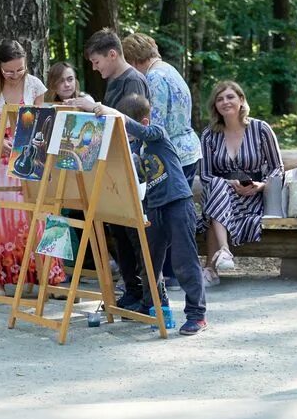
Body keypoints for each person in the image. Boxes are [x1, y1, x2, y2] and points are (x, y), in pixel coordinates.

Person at [65, 92, 207, 335]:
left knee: (184, 261)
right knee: (150, 264)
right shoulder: (135, 148)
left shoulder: (157, 134)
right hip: (153, 208)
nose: (126, 136)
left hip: (177, 204)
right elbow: (135, 178)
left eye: (127, 130)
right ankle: (153, 305)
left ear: (142, 123)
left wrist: (95, 106)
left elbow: (128, 124)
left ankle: (197, 314)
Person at [0, 40, 64, 294]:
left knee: (36, 213)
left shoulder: (34, 85)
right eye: (9, 71)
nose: (15, 75)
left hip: (30, 154)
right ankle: (2, 278)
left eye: (19, 70)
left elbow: (43, 121)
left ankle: (41, 276)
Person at [121, 32, 201, 286]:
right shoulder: (170, 70)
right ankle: (170, 272)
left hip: (171, 154)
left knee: (166, 215)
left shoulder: (154, 78)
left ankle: (168, 274)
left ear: (134, 59)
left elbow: (155, 124)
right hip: (188, 148)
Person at [84, 28, 150, 309]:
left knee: (135, 235)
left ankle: (148, 296)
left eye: (97, 61)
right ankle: (132, 291)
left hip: (130, 167)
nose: (94, 67)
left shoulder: (133, 81)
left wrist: (94, 107)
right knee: (119, 233)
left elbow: (129, 124)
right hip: (112, 166)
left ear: (113, 54)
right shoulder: (113, 80)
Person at [199, 80, 284, 287]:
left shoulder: (260, 129)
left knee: (214, 208)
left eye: (230, 97)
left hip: (253, 196)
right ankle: (225, 252)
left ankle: (211, 268)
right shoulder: (209, 135)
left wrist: (261, 185)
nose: (225, 102)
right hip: (222, 193)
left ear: (241, 100)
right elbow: (205, 175)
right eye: (220, 99)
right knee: (218, 188)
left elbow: (277, 167)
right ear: (215, 106)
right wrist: (229, 184)